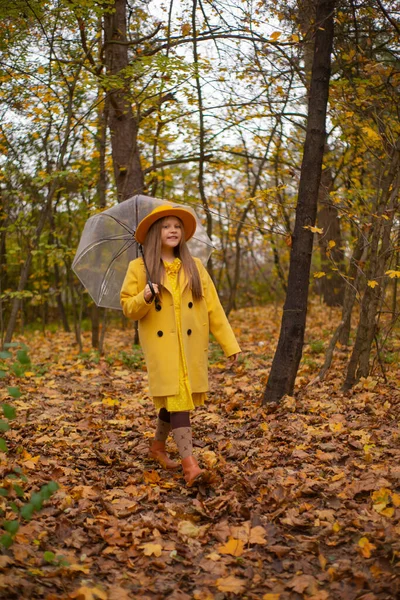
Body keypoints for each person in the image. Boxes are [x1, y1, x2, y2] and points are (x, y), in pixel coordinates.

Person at [120, 205, 241, 486]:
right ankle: (190, 466)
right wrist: (145, 296)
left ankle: (157, 448)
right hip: (163, 350)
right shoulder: (139, 268)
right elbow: (128, 307)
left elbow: (213, 308)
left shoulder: (194, 266)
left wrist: (229, 344)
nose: (172, 230)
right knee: (178, 400)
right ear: (154, 233)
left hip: (189, 348)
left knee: (174, 399)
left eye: (177, 226)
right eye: (165, 226)